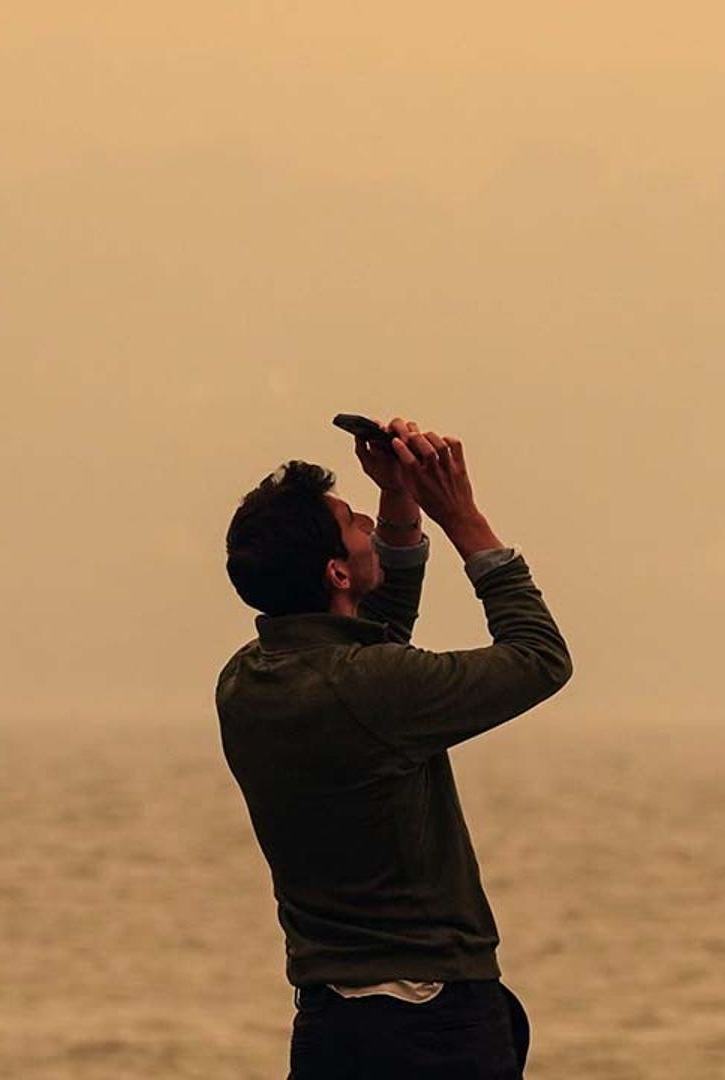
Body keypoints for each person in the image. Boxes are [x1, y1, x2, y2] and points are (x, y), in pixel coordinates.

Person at [216, 416, 572, 1079]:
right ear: (335, 571)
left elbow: (369, 641)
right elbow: (538, 659)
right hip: (430, 1026)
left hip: (332, 1024)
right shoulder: (372, 690)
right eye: (356, 525)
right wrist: (462, 518)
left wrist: (399, 502)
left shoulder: (245, 681)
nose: (368, 531)